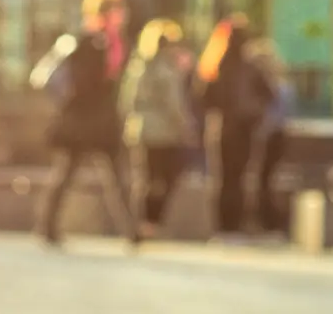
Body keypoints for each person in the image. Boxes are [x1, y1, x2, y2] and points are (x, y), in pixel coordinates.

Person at [32, 0, 140, 247]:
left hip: (101, 121)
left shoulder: (114, 43)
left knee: (116, 177)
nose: (123, 15)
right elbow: (84, 82)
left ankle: (131, 230)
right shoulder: (89, 42)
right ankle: (46, 226)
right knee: (69, 174)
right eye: (118, 9)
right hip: (83, 121)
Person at [122, 18, 196, 239]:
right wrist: (186, 127)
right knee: (164, 177)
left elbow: (126, 101)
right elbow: (174, 104)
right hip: (164, 132)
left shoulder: (137, 66)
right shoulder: (166, 68)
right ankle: (151, 223)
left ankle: (142, 223)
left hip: (139, 129)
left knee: (146, 178)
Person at [199, 15, 272, 239]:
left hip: (222, 128)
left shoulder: (215, 66)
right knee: (239, 178)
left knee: (223, 178)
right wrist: (255, 113)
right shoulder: (250, 68)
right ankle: (235, 225)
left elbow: (203, 99)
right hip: (244, 129)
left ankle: (223, 226)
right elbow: (269, 94)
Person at [250, 40, 295, 235]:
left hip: (271, 136)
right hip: (273, 135)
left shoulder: (276, 87)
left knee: (264, 179)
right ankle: (266, 220)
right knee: (264, 179)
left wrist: (261, 130)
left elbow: (277, 115)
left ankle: (270, 221)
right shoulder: (282, 85)